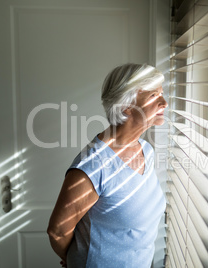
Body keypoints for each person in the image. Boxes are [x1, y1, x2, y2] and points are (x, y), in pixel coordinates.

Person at [47, 63, 168, 267]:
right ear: (126, 106)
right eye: (153, 96)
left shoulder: (146, 150)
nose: (165, 103)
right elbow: (57, 231)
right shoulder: (93, 166)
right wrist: (74, 261)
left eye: (162, 94)